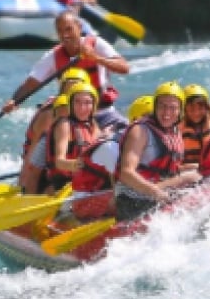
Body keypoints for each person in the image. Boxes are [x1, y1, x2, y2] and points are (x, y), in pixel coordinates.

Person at [0, 11, 129, 129]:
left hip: (103, 114)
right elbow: (30, 85)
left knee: (126, 133)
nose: (65, 35)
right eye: (60, 31)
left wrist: (96, 58)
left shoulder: (97, 44)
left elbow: (124, 67)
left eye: (69, 29)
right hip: (72, 119)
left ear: (79, 27)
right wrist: (14, 101)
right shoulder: (52, 56)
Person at [114, 82, 201, 222]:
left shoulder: (174, 131)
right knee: (191, 177)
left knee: (198, 173)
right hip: (133, 198)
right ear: (155, 107)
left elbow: (168, 169)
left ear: (180, 111)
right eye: (162, 106)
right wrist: (156, 192)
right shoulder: (140, 131)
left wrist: (193, 166)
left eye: (173, 108)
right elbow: (126, 173)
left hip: (157, 189)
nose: (167, 113)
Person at [65, 94, 154, 222]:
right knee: (132, 198)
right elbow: (123, 188)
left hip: (105, 194)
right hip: (83, 204)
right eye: (147, 120)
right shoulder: (112, 147)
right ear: (135, 122)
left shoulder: (140, 145)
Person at [19, 68, 90, 195]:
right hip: (49, 178)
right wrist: (24, 185)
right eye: (69, 91)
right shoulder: (49, 116)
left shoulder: (88, 118)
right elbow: (32, 166)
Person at [45, 81, 104, 193]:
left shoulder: (93, 126)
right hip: (65, 184)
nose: (82, 107)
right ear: (71, 104)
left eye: (87, 103)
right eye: (77, 102)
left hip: (87, 181)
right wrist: (81, 165)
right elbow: (59, 162)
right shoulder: (64, 124)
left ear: (93, 105)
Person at [180, 83, 210, 167]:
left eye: (200, 108)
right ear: (184, 110)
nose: (196, 113)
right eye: (191, 109)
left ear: (206, 107)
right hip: (189, 169)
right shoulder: (178, 130)